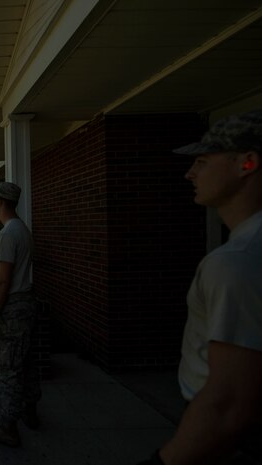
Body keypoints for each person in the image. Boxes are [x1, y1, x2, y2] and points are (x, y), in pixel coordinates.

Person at [138, 110, 262, 465]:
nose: (190, 173)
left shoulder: (238, 261)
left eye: (204, 161)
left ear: (247, 163)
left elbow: (228, 405)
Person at [0, 181, 41, 447]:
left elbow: (3, 281)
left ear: (1, 202)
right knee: (25, 361)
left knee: (6, 368)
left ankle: (6, 426)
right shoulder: (23, 230)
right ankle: (30, 411)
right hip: (26, 303)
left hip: (11, 308)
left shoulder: (6, 235)